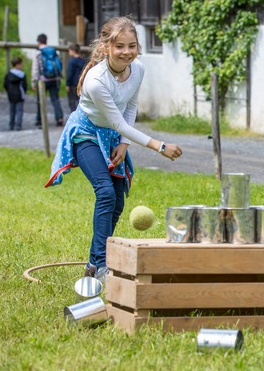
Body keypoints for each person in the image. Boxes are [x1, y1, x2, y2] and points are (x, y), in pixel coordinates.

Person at [45, 16, 183, 283]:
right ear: (106, 46)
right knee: (105, 192)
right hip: (86, 133)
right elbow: (118, 120)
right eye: (120, 46)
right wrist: (160, 146)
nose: (127, 52)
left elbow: (130, 107)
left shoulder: (138, 69)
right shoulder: (96, 80)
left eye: (132, 46)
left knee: (117, 200)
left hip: (113, 137)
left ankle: (93, 262)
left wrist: (124, 143)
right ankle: (100, 266)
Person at [32, 33, 64, 127]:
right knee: (55, 99)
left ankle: (40, 119)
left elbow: (35, 68)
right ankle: (59, 117)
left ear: (38, 42)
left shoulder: (38, 53)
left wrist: (33, 81)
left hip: (43, 80)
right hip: (54, 79)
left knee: (41, 100)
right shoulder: (52, 51)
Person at [3, 56, 27, 131]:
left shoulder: (9, 74)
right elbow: (25, 85)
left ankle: (11, 124)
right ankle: (18, 125)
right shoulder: (22, 75)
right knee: (19, 110)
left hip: (11, 94)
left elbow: (5, 84)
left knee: (12, 110)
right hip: (19, 94)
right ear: (18, 64)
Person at [66, 43, 86, 112]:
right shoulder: (83, 61)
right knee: (80, 100)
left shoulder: (71, 61)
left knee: (72, 101)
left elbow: (70, 73)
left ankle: (73, 114)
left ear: (73, 51)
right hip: (81, 83)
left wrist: (68, 84)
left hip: (73, 84)